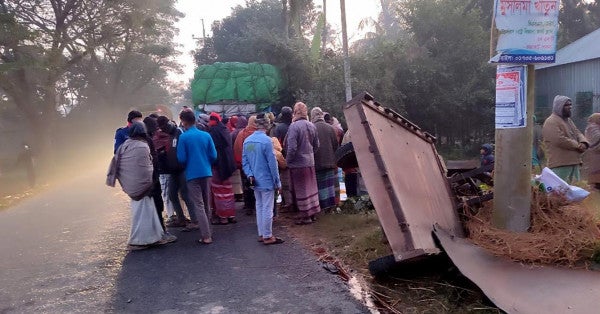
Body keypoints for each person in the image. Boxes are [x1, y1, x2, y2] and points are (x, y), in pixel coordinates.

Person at [109, 122, 170, 250]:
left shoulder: (125, 145)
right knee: (145, 214)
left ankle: (153, 237)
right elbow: (147, 168)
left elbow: (123, 166)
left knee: (143, 213)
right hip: (144, 187)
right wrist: (149, 183)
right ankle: (139, 241)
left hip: (133, 186)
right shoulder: (142, 146)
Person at [242, 114, 284, 245]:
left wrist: (250, 175)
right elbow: (272, 163)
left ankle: (262, 233)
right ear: (267, 125)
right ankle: (267, 235)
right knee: (267, 208)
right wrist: (277, 181)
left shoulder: (247, 141)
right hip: (266, 180)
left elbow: (245, 161)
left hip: (254, 180)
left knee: (259, 206)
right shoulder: (267, 141)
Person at [177, 110, 217, 245]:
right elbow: (213, 156)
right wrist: (205, 163)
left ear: (184, 121)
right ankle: (209, 232)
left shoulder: (183, 137)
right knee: (207, 203)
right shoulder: (206, 135)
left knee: (198, 205)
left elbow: (181, 158)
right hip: (206, 172)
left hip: (192, 174)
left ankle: (206, 236)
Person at [286, 102, 321, 225]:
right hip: (310, 162)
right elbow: (317, 145)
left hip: (298, 165)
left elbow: (292, 148)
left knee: (301, 191)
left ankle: (305, 217)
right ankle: (313, 214)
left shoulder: (294, 127)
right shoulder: (311, 125)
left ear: (295, 112)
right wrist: (310, 154)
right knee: (311, 189)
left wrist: (288, 161)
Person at [542, 95, 589, 183]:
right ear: (559, 106)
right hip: (561, 164)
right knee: (560, 192)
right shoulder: (551, 121)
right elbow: (559, 140)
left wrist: (583, 142)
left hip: (574, 162)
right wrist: (577, 145)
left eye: (570, 104)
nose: (570, 107)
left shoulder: (568, 121)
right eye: (566, 105)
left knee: (576, 191)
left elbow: (577, 132)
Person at [207, 112, 237, 225]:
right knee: (228, 190)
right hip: (228, 165)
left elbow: (212, 151)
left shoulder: (212, 132)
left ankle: (223, 217)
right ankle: (231, 215)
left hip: (217, 166)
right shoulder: (225, 130)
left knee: (219, 192)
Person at [311, 107, 340, 211]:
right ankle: (331, 207)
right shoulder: (330, 128)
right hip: (330, 163)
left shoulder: (312, 128)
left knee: (320, 187)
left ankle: (322, 207)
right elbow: (336, 145)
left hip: (317, 163)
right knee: (330, 187)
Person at [234, 115, 258, 215]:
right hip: (258, 165)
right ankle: (258, 205)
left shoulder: (242, 134)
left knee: (247, 186)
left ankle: (249, 206)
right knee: (258, 185)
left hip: (246, 165)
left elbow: (238, 148)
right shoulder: (260, 134)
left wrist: (241, 163)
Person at [273, 106, 293, 210]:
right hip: (295, 158)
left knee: (284, 181)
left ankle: (286, 202)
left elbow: (276, 144)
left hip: (283, 158)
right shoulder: (294, 125)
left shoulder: (279, 128)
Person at [583, 113, 600, 190]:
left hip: (596, 159)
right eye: (599, 118)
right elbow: (596, 141)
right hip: (594, 159)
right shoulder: (592, 128)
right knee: (594, 184)